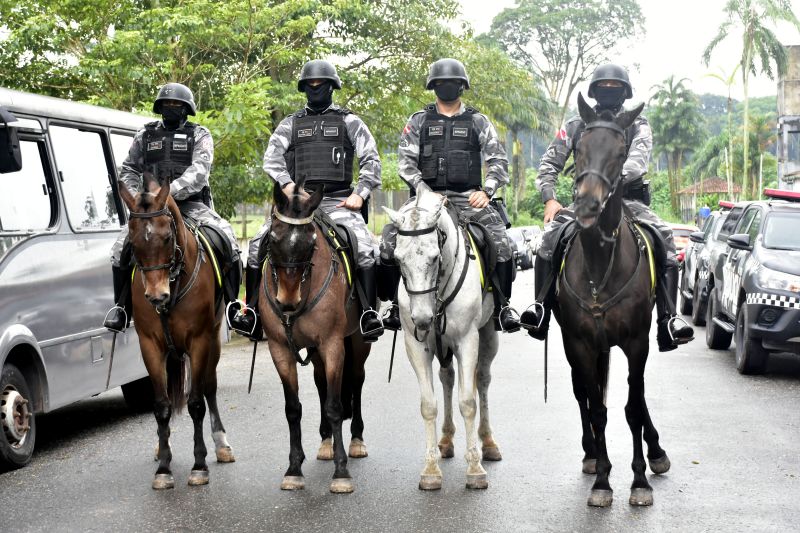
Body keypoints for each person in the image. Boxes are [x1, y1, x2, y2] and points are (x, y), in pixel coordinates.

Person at [519, 63, 694, 352]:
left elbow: (638, 162)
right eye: (604, 88)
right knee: (548, 239)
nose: (609, 93)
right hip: (586, 200)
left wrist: (611, 182)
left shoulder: (638, 125)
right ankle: (541, 308)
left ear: (625, 93)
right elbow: (550, 163)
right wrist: (550, 197)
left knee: (664, 237)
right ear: (594, 92)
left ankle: (669, 318)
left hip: (628, 200)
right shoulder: (575, 125)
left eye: (616, 89)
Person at [227, 59, 385, 342]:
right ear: (303, 89)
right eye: (310, 86)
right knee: (256, 245)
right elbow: (271, 158)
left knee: (365, 249)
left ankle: (368, 314)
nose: (315, 89)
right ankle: (250, 312)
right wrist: (287, 186)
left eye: (321, 85)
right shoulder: (290, 124)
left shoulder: (351, 122)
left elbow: (372, 160)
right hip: (297, 205)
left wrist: (359, 194)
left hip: (337, 202)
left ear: (332, 87)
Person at [379, 58, 522, 334]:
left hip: (468, 198)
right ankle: (396, 309)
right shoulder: (418, 121)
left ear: (462, 86)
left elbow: (498, 162)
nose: (447, 87)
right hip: (425, 197)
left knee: (502, 242)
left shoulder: (479, 121)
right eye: (441, 83)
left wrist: (487, 190)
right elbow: (405, 163)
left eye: (453, 83)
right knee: (388, 241)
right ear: (433, 87)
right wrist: (423, 189)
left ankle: (503, 307)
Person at [104, 82, 242, 331]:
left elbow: (199, 171)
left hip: (192, 206)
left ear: (186, 108)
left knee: (228, 238)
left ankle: (234, 306)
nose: (171, 108)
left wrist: (167, 193)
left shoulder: (200, 134)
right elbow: (129, 169)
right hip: (152, 210)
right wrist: (139, 199)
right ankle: (121, 308)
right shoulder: (145, 134)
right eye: (166, 104)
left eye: (176, 105)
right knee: (118, 249)